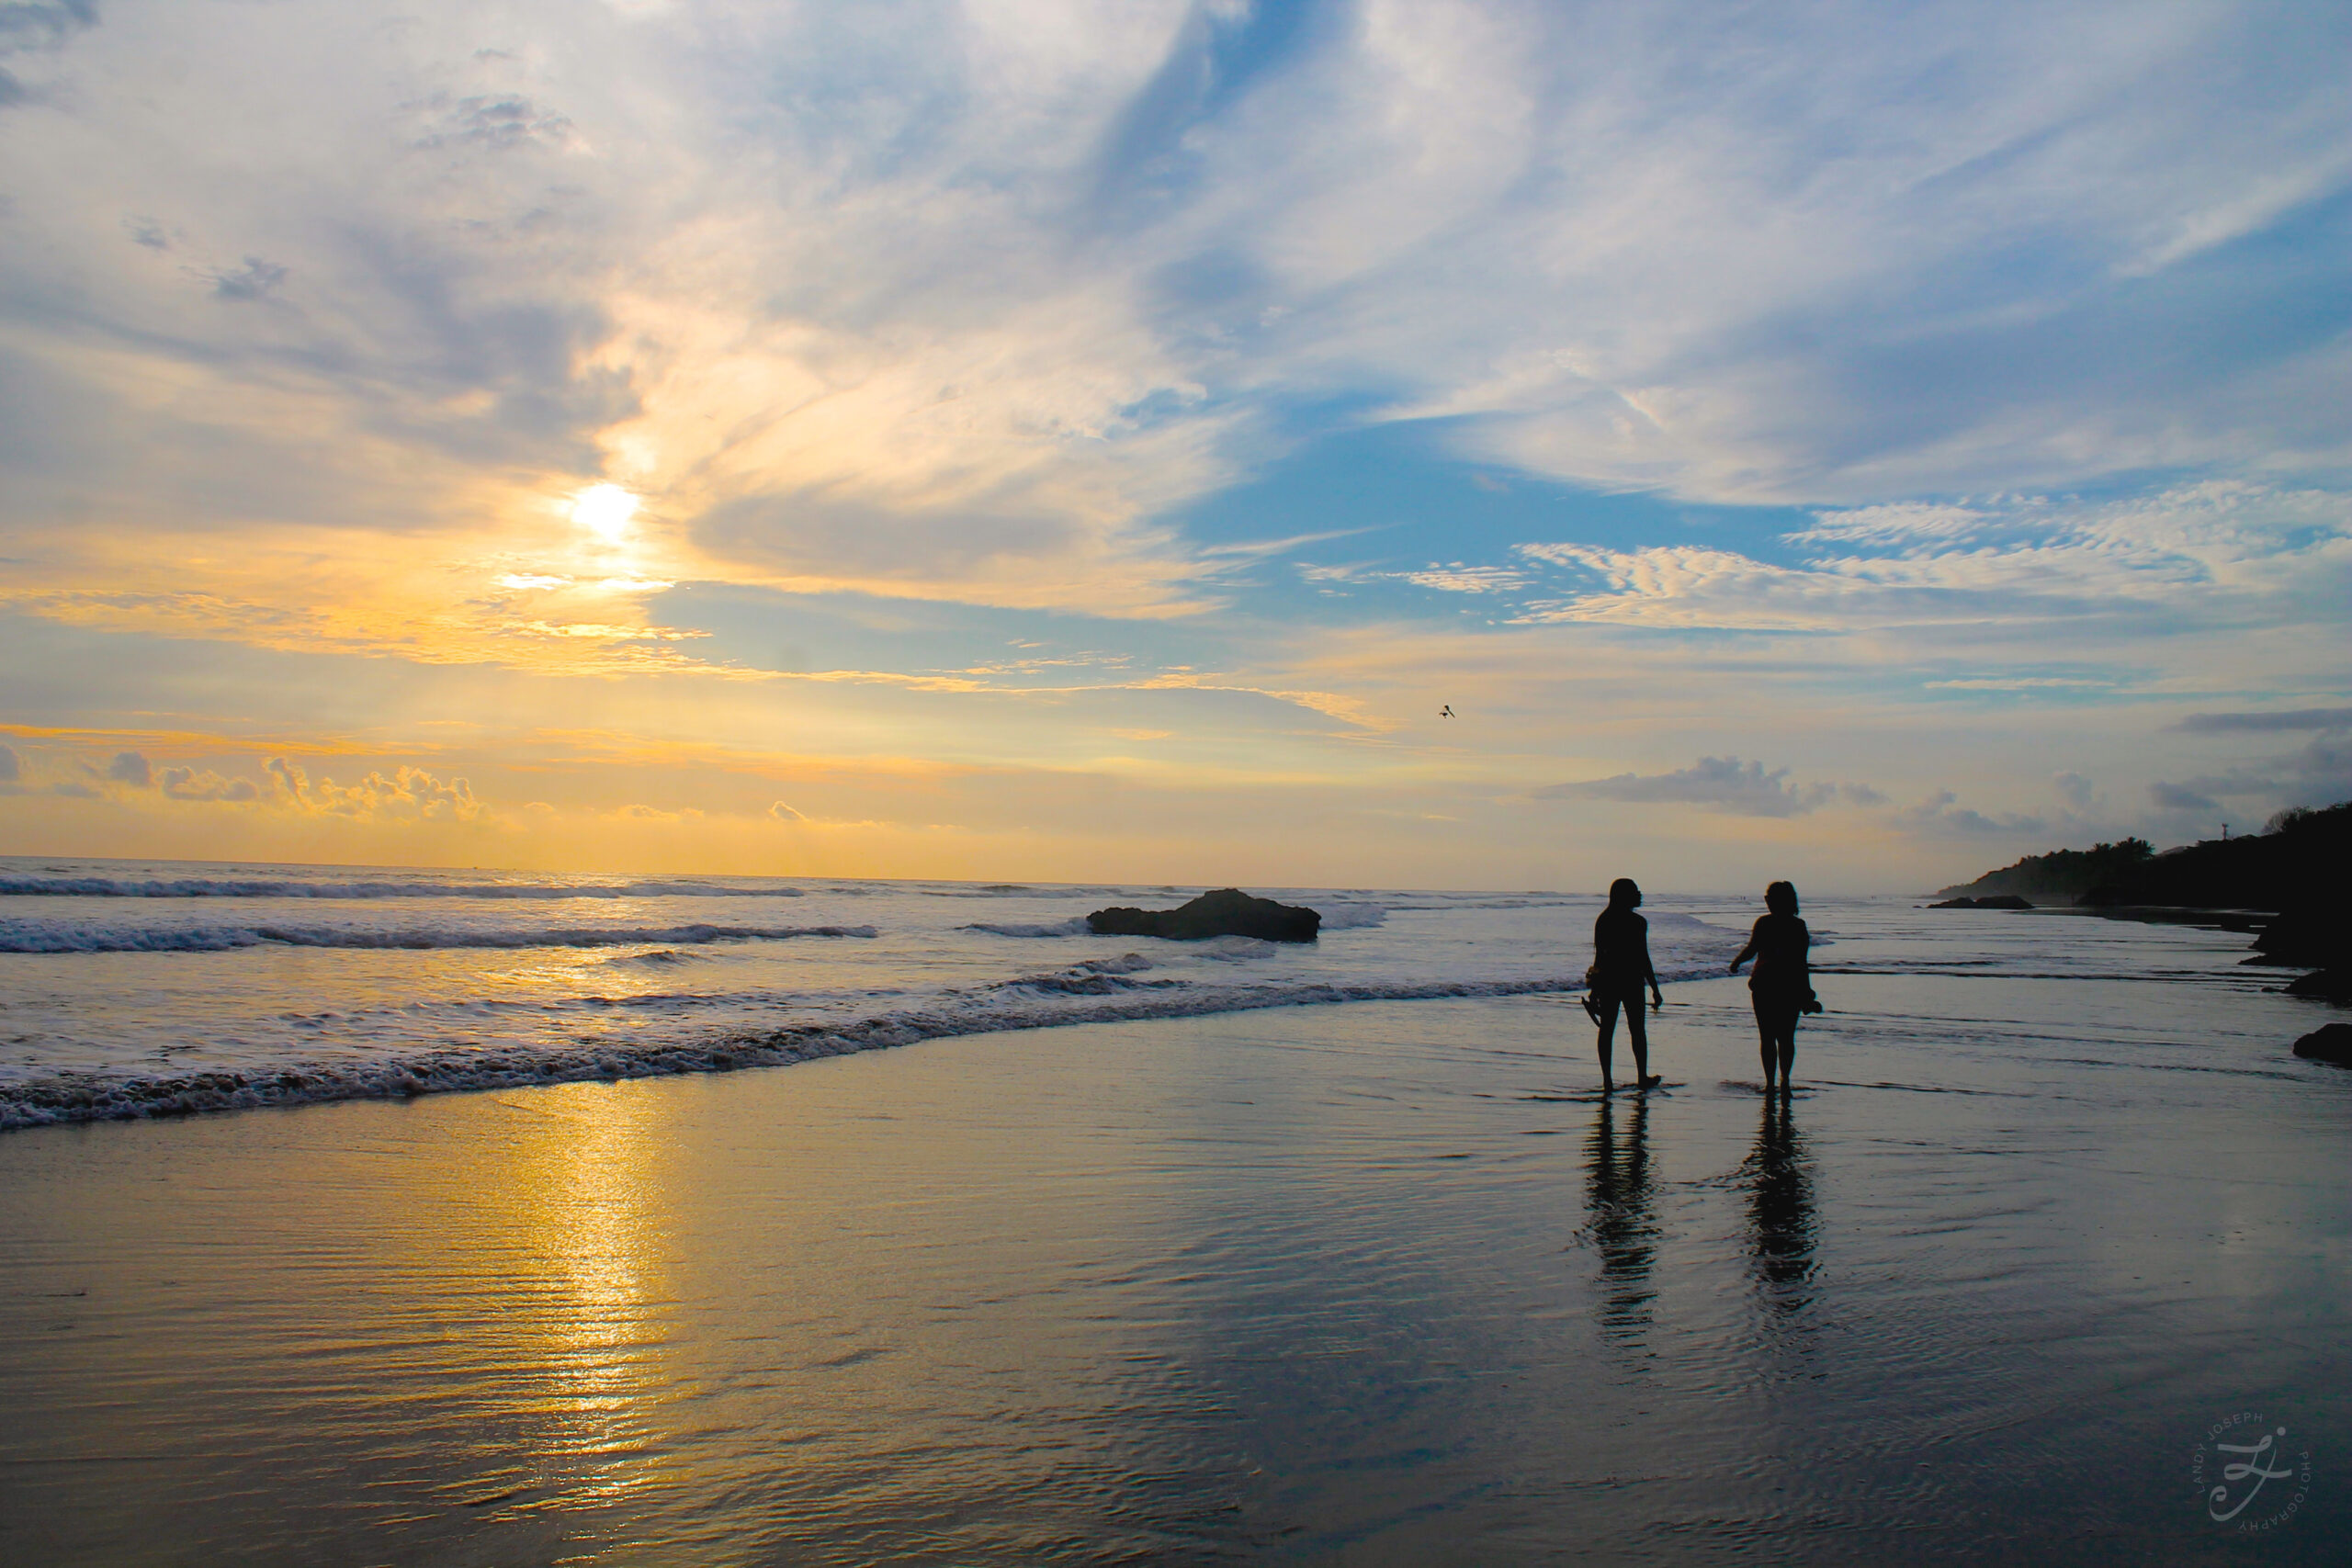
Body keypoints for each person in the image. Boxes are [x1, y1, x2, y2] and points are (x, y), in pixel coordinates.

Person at [1730, 880, 1813, 1092]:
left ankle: (1770, 1083)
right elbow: (1801, 962)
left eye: (1769, 897)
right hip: (1790, 986)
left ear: (1777, 900)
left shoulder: (1764, 923)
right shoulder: (1798, 925)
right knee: (1786, 1037)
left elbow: (1752, 949)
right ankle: (1784, 1081)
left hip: (1765, 984)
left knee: (1767, 1037)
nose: (1766, 900)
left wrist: (1737, 961)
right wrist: (1806, 991)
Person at [1589, 877, 1663, 1092]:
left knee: (1607, 1030)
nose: (1639, 895)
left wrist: (1595, 989)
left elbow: (1599, 958)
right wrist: (1655, 989)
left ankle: (1607, 1081)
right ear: (1624, 895)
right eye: (1635, 891)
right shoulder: (1638, 923)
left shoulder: (1603, 920)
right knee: (1638, 1030)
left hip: (1609, 981)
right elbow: (1644, 958)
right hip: (1632, 981)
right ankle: (1641, 1077)